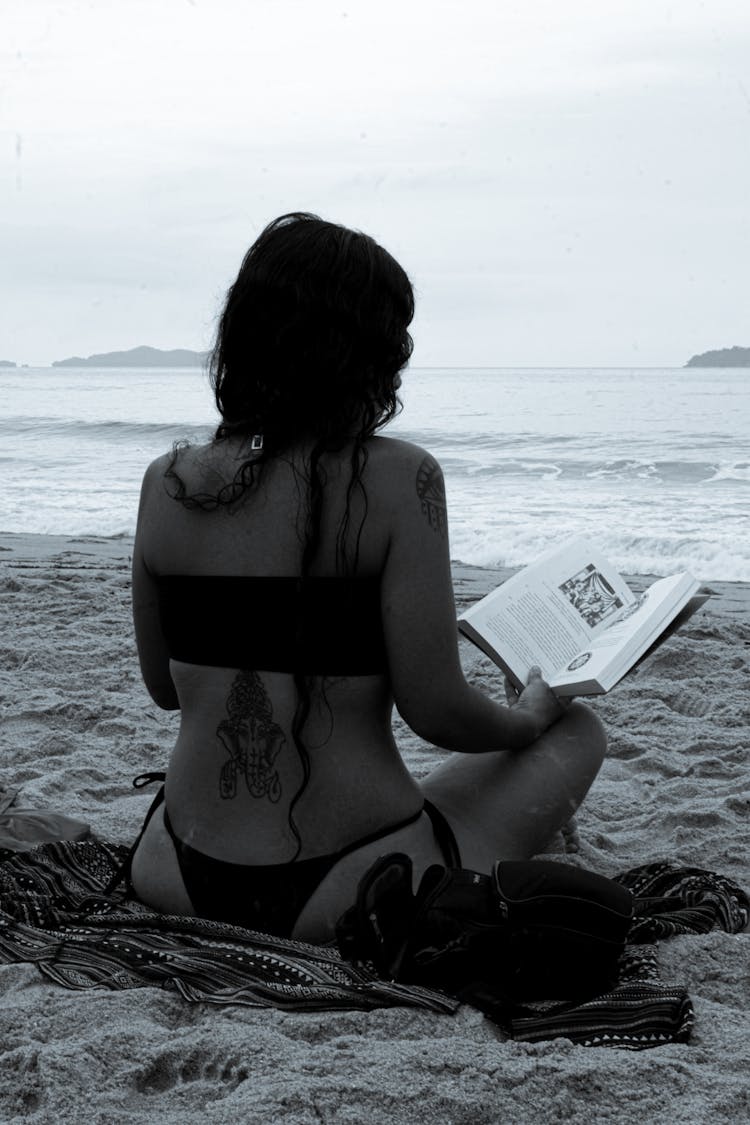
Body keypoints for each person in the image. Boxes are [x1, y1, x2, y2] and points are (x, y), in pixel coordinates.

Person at [128, 212, 606, 944]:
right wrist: (529, 716)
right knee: (580, 734)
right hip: (349, 883)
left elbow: (165, 688)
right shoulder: (399, 477)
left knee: (435, 789)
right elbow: (436, 710)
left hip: (173, 867)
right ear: (366, 352)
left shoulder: (169, 483)